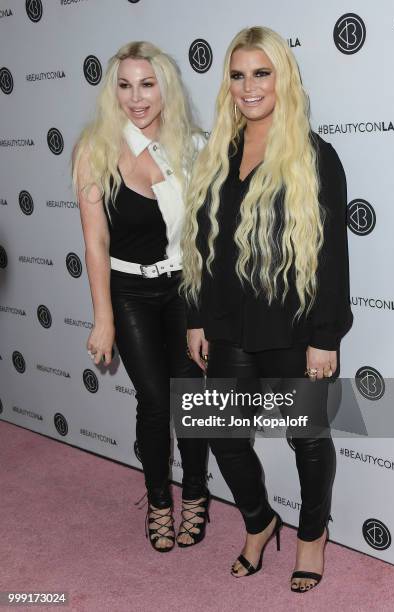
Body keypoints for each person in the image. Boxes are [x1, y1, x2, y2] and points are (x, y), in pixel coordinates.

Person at [181, 26, 352, 591]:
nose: (248, 86)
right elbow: (205, 247)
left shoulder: (314, 155)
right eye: (237, 74)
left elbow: (331, 256)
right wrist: (198, 316)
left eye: (261, 73)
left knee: (306, 437)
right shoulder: (218, 153)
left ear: (283, 78)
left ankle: (311, 535)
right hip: (229, 323)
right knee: (223, 435)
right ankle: (258, 520)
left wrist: (325, 336)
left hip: (294, 324)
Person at [73, 41, 209, 553]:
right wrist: (102, 317)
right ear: (114, 92)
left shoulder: (192, 145)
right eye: (125, 85)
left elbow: (205, 235)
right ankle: (158, 500)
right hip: (128, 288)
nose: (136, 97)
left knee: (190, 397)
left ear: (165, 87)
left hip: (184, 288)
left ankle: (195, 493)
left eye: (147, 83)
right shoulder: (96, 148)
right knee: (155, 400)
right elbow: (95, 241)